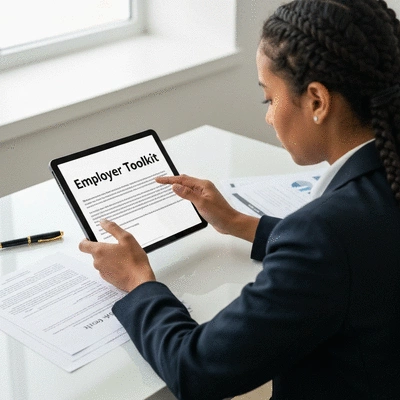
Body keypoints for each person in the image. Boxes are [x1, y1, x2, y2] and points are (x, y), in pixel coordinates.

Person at [79, 0, 400, 398]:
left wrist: (137, 282)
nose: (269, 116)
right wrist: (239, 224)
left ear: (317, 101)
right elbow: (362, 246)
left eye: (269, 99)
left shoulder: (324, 233)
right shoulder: (379, 190)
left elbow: (197, 371)